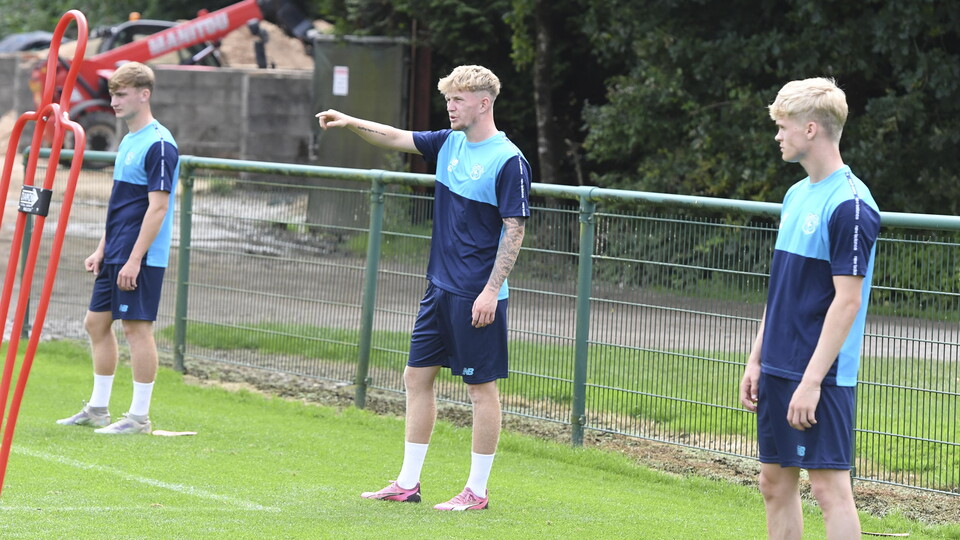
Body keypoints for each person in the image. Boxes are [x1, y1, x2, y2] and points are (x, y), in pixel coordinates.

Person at [316, 64, 531, 511]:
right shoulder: (450, 143)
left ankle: (477, 491)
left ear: (483, 103)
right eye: (448, 98)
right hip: (438, 289)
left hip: (477, 294)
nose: (450, 106)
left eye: (458, 99)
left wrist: (491, 291)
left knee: (480, 389)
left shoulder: (508, 159)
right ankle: (408, 483)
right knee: (416, 378)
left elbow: (514, 230)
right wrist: (351, 121)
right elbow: (394, 137)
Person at [739, 77, 881, 539]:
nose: (778, 135)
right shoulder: (796, 195)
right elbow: (781, 286)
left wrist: (812, 382)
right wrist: (757, 358)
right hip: (778, 366)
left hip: (821, 375)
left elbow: (848, 301)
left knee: (829, 490)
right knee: (773, 483)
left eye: (783, 126)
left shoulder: (852, 205)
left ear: (812, 128)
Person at [57, 61, 180, 435]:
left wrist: (134, 258)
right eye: (112, 94)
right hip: (117, 253)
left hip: (140, 257)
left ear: (144, 95)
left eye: (121, 94)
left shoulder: (160, 144)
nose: (113, 102)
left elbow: (157, 207)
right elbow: (120, 204)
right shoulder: (128, 139)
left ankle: (139, 418)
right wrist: (102, 248)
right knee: (96, 323)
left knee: (136, 329)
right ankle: (97, 409)